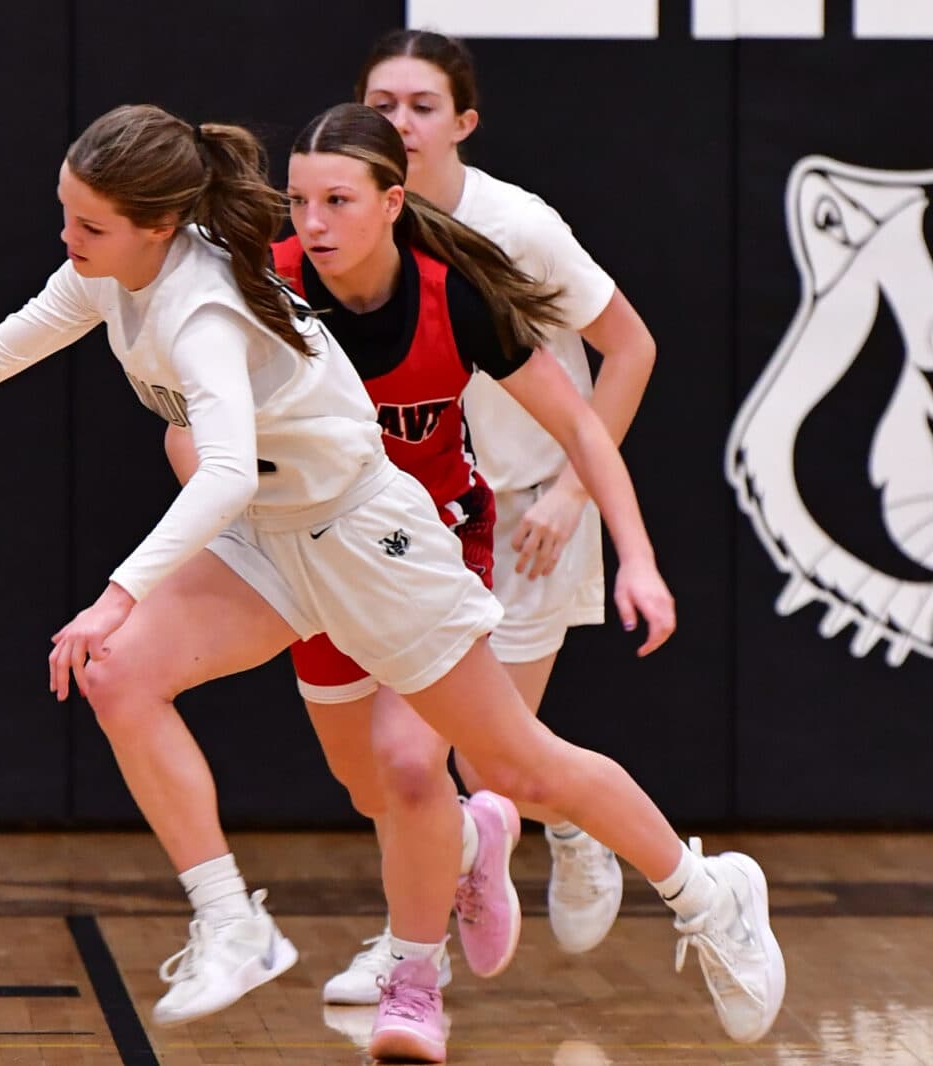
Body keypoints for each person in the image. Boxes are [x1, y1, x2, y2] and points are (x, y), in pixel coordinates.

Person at [0, 103, 783, 1062]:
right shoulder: (113, 272)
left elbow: (225, 467)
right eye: (65, 214)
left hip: (364, 534)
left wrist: (118, 591)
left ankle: (706, 890)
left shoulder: (200, 307)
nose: (67, 239)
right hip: (274, 539)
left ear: (155, 225)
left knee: (514, 763)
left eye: (88, 224)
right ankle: (232, 921)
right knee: (121, 675)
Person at [161, 100, 628, 1004]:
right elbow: (191, 427)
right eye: (299, 203)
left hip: (431, 536)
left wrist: (632, 552)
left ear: (390, 199)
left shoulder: (456, 289)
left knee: (422, 762)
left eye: (336, 200)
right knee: (369, 785)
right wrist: (213, 494)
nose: (313, 222)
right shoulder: (267, 288)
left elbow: (581, 416)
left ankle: (415, 962)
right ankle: (466, 842)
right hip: (313, 545)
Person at [328, 28, 661, 981]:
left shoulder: (519, 228)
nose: (401, 123)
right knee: (400, 763)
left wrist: (570, 493)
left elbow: (630, 350)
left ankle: (574, 833)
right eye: (382, 105)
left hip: (524, 517)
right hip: (403, 522)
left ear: (462, 121)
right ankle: (409, 945)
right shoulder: (341, 226)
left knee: (494, 764)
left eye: (422, 106)